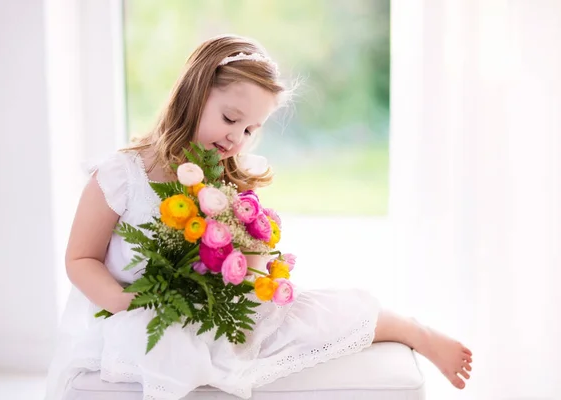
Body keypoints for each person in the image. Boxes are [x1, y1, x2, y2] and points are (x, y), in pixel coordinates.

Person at [45, 34, 472, 400]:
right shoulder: (123, 174)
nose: (236, 137)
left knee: (310, 314)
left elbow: (247, 256)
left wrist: (251, 265)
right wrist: (122, 302)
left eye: (250, 130)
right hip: (142, 309)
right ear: (194, 94)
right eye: (230, 118)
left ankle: (413, 331)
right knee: (169, 357)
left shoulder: (228, 180)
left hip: (208, 309)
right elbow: (79, 258)